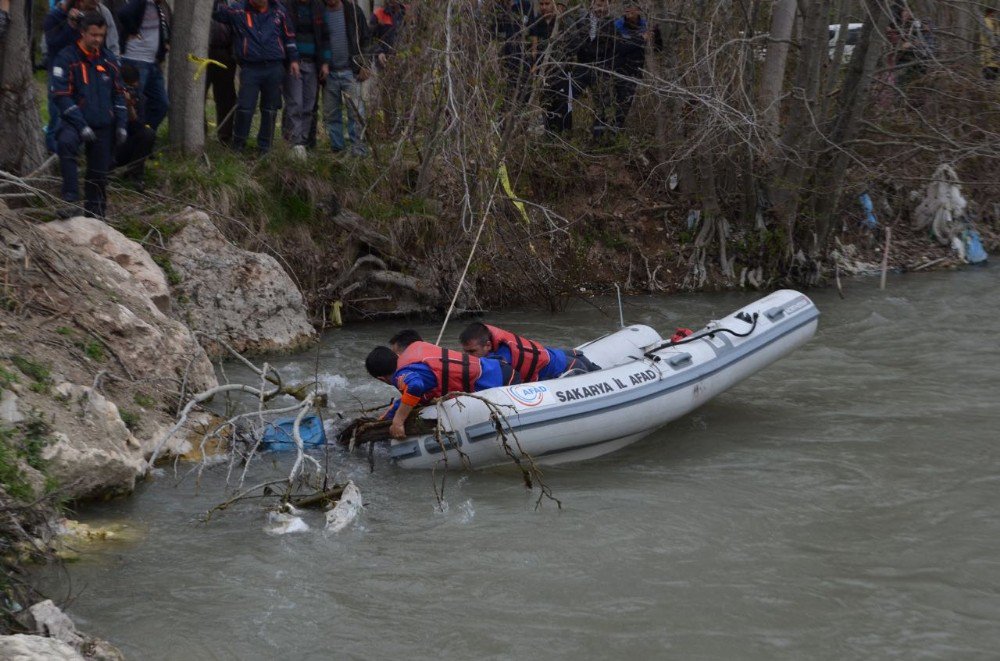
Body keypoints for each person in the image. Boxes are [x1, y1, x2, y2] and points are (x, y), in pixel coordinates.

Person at [49, 11, 127, 218]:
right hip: (75, 122)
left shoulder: (109, 60)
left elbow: (119, 94)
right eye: (94, 35)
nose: (98, 40)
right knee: (65, 143)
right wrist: (81, 125)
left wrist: (121, 125)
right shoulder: (66, 57)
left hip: (103, 124)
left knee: (99, 173)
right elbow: (60, 95)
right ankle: (70, 199)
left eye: (101, 35)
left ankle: (96, 213)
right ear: (82, 33)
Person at [365, 341, 521, 439]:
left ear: (381, 379)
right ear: (396, 355)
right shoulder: (411, 361)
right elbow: (404, 402)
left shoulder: (402, 375)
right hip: (498, 368)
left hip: (503, 380)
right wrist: (380, 422)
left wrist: (398, 422)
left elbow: (415, 387)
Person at [213, 0, 300, 154]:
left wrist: (293, 60)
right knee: (245, 107)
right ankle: (238, 145)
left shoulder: (280, 11)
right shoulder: (238, 10)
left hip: (274, 67)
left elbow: (289, 36)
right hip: (250, 68)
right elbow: (217, 13)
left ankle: (265, 148)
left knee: (270, 109)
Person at [459, 322, 600, 383]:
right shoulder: (493, 344)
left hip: (569, 366)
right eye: (466, 352)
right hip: (561, 355)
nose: (469, 357)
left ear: (488, 345)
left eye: (472, 351)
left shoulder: (503, 360)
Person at [323, 0, 370, 156]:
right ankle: (337, 148)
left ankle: (359, 148)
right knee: (331, 113)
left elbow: (366, 39)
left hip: (352, 70)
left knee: (356, 112)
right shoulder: (319, 12)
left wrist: (365, 64)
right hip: (329, 72)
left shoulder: (354, 12)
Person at [284, 0, 330, 156]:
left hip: (313, 63)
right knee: (295, 103)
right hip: (293, 63)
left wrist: (325, 62)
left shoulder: (318, 7)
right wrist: (290, 59)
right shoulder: (287, 6)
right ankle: (293, 141)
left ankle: (302, 141)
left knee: (309, 105)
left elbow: (325, 36)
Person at [117, 0, 169, 130]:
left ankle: (145, 134)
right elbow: (123, 13)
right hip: (136, 60)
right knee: (134, 104)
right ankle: (131, 139)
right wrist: (133, 31)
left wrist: (161, 53)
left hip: (152, 62)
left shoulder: (157, 7)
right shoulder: (142, 2)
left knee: (161, 104)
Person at [611, 2, 659, 130]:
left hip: (636, 71)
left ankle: (617, 131)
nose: (628, 9)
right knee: (616, 103)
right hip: (618, 70)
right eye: (625, 6)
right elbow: (619, 48)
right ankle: (611, 132)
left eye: (631, 6)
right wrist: (641, 39)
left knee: (627, 104)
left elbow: (658, 49)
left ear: (638, 9)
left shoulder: (647, 24)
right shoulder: (617, 25)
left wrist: (656, 33)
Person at [113, 61, 155, 188]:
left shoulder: (139, 98)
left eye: (133, 87)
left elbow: (138, 127)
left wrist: (130, 106)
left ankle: (135, 174)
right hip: (109, 146)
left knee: (148, 134)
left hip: (127, 145)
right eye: (128, 87)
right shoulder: (109, 96)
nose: (130, 90)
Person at [206, 15, 237, 145]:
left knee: (226, 97)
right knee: (197, 95)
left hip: (225, 52)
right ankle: (198, 134)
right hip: (201, 52)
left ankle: (225, 136)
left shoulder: (232, 4)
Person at [982, 8, 1000, 80]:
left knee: (993, 74)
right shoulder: (986, 21)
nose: (994, 15)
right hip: (988, 53)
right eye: (993, 13)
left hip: (995, 56)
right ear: (989, 13)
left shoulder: (995, 22)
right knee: (989, 75)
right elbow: (989, 35)